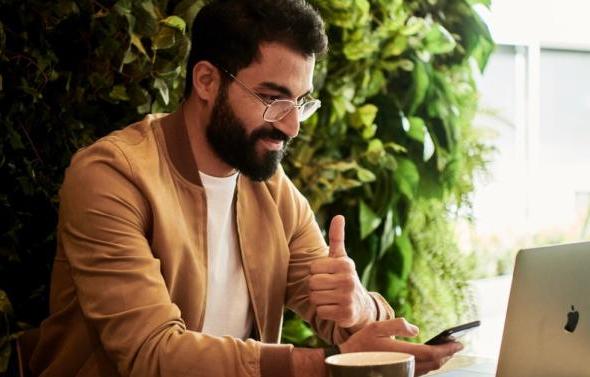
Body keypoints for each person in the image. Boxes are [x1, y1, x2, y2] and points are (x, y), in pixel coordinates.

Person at [30, 0, 463, 376]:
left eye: (301, 102)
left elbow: (346, 322)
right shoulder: (111, 176)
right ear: (206, 81)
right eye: (272, 99)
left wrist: (356, 308)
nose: (291, 125)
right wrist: (326, 366)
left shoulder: (271, 189)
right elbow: (151, 355)